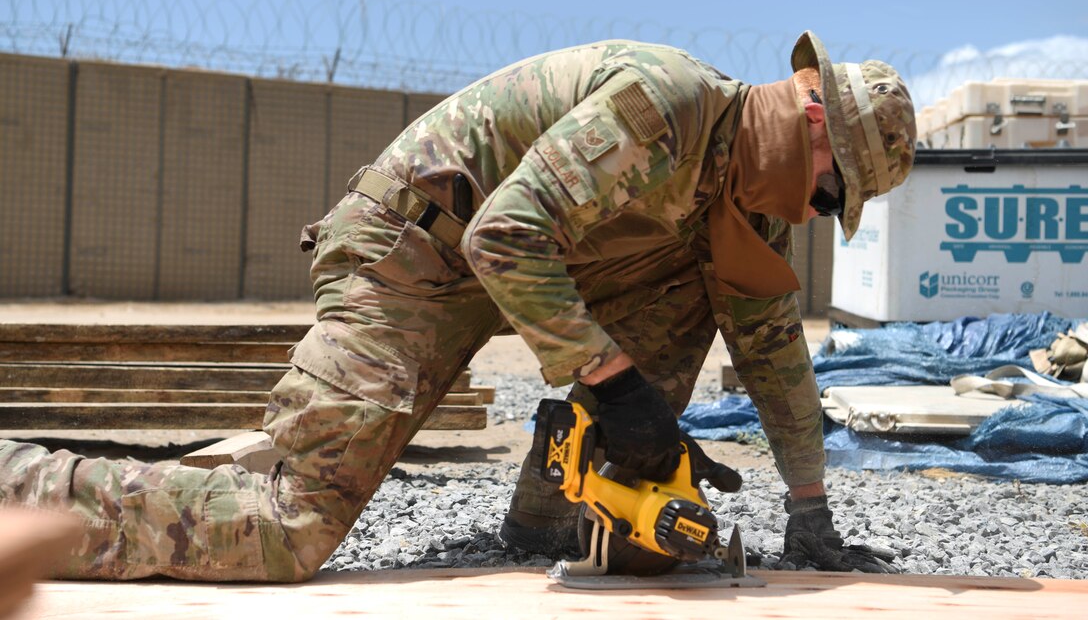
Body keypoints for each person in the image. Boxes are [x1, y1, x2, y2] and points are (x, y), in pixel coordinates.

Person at [0, 31, 915, 581]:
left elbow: (772, 350)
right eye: (834, 196)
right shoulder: (666, 106)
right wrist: (614, 382)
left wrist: (810, 510)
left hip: (519, 266)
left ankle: (550, 516)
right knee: (287, 528)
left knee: (705, 291)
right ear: (814, 121)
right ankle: (20, 489)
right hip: (416, 253)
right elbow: (504, 236)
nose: (815, 213)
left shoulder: (746, 206)